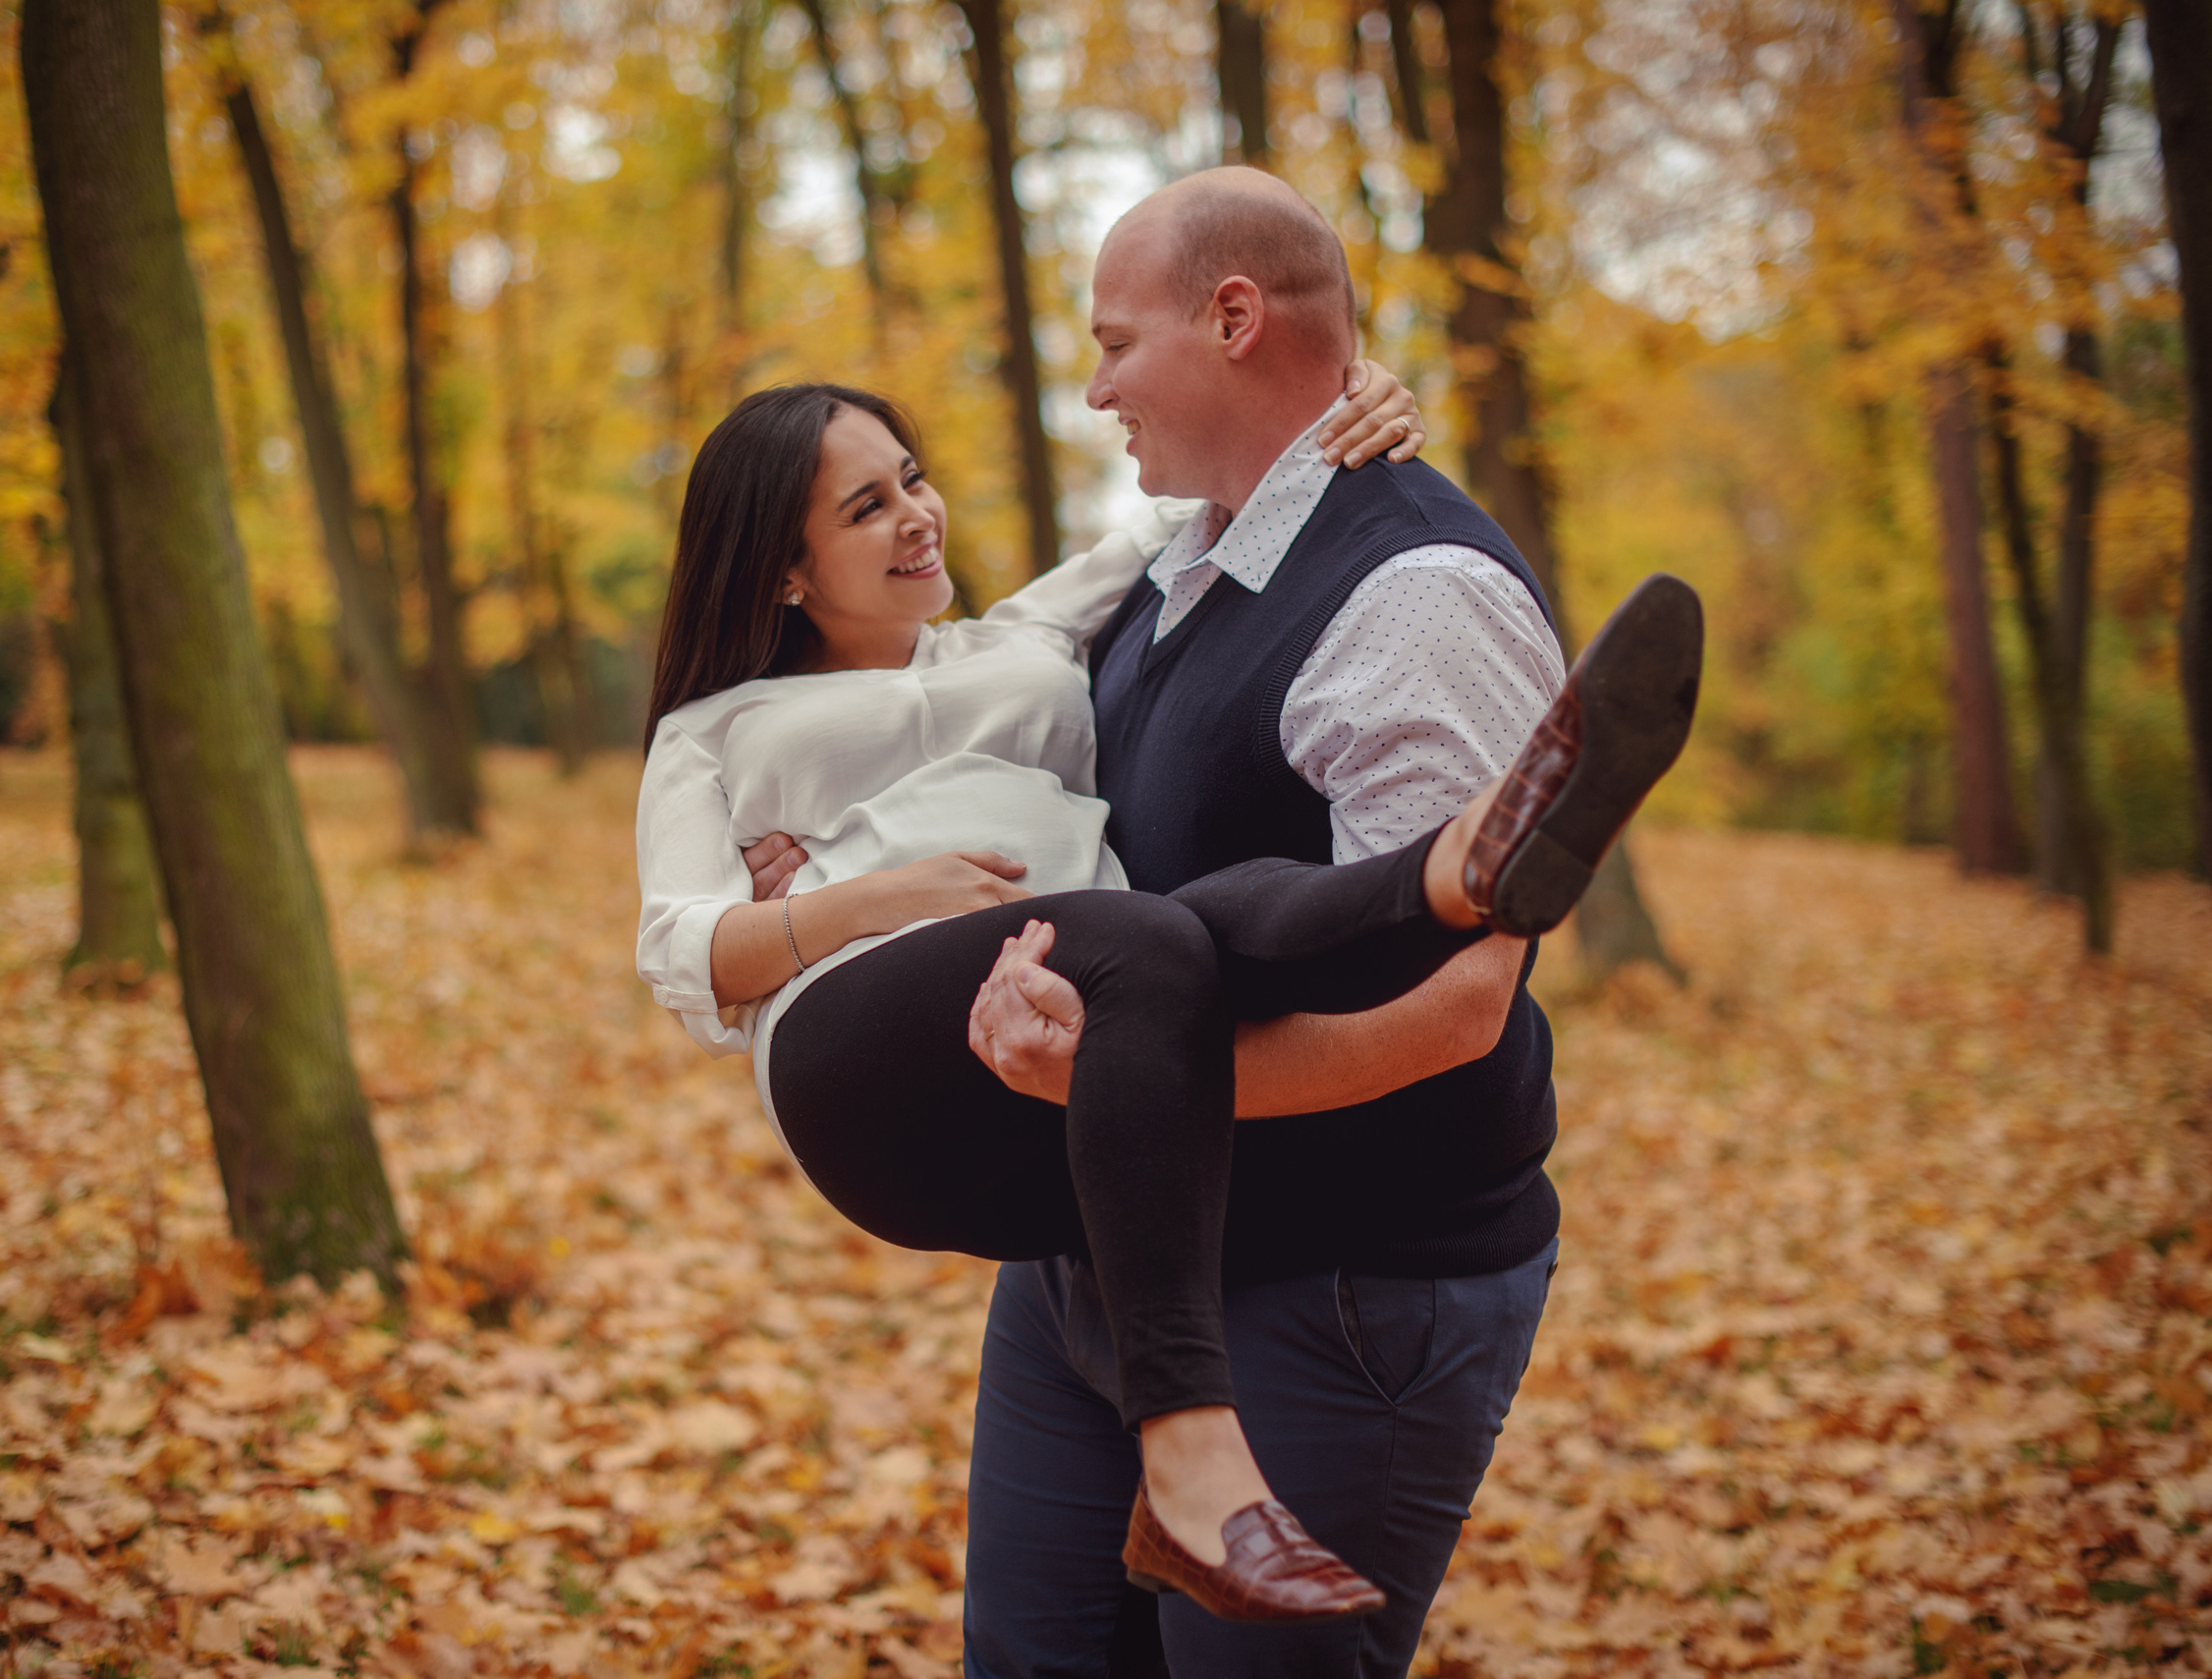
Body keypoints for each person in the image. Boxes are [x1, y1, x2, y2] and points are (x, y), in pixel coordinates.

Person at [634, 361, 1700, 1632]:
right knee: (1145, 937)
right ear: (781, 573)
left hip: (1084, 1008)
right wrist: (873, 899)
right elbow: (679, 948)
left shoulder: (1026, 635)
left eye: (912, 479)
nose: (916, 516)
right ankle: (1189, 1449)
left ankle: (1463, 870)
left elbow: (1201, 502)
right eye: (866, 508)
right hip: (862, 1047)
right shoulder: (714, 731)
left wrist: (1354, 399)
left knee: (1189, 933)